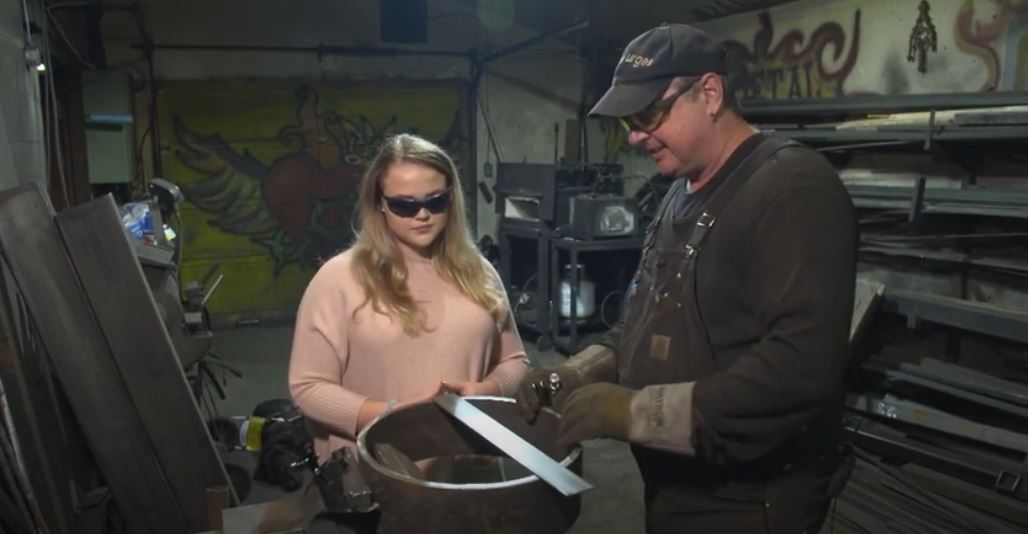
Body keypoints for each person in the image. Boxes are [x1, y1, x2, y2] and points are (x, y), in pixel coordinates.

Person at [516, 23, 858, 534]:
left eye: (649, 113)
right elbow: (642, 319)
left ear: (711, 93)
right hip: (677, 490)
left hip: (747, 502)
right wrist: (583, 370)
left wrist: (636, 412)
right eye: (629, 120)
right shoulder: (681, 190)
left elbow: (800, 369)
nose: (634, 135)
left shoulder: (791, 189)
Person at [289, 133, 529, 466]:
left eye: (435, 202)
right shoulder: (338, 279)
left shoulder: (478, 272)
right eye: (404, 205)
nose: (422, 215)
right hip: (377, 472)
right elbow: (309, 387)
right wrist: (391, 414)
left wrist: (490, 388)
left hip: (468, 465)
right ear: (380, 205)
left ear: (451, 198)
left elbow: (515, 361)